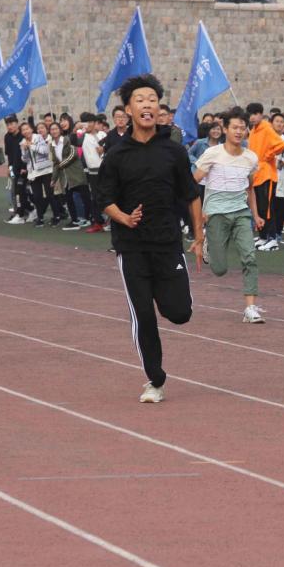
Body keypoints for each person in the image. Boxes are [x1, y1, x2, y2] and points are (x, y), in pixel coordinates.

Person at [96, 75, 203, 404]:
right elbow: (104, 199)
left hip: (168, 243)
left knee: (180, 312)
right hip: (131, 247)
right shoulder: (116, 154)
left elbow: (191, 195)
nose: (147, 105)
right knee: (143, 315)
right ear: (128, 110)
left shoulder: (174, 151)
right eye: (140, 100)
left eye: (152, 100)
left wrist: (199, 238)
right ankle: (155, 380)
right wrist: (124, 217)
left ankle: (163, 290)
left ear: (159, 108)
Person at [193, 107, 265, 323]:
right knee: (219, 269)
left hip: (241, 212)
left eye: (243, 128)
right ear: (225, 129)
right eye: (235, 127)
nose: (239, 131)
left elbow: (250, 189)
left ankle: (250, 308)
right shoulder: (212, 154)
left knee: (250, 257)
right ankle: (210, 246)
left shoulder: (250, 158)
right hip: (216, 214)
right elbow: (193, 183)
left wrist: (256, 215)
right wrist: (200, 215)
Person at [245, 102, 284, 250]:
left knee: (267, 208)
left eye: (255, 114)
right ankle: (263, 236)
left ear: (261, 114)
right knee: (259, 208)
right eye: (250, 114)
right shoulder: (253, 131)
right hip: (256, 174)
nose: (252, 117)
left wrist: (268, 156)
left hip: (267, 174)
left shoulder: (267, 128)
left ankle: (272, 238)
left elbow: (281, 144)